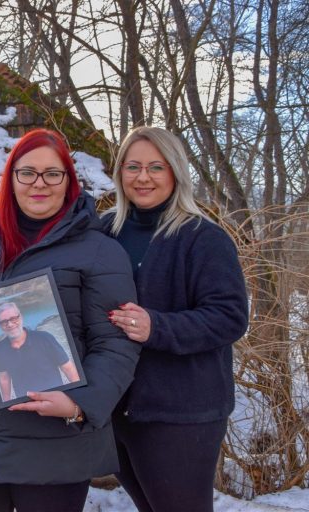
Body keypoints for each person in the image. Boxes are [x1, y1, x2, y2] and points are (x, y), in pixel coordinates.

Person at [0, 128, 141, 512]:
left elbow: (117, 343)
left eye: (52, 174)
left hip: (55, 450)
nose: (40, 184)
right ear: (11, 177)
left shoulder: (100, 252)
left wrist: (80, 405)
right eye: (27, 172)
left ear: (69, 181)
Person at [102, 126, 249, 512]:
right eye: (132, 166)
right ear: (119, 173)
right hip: (116, 407)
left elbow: (229, 317)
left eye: (156, 167)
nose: (143, 177)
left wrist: (157, 327)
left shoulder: (204, 238)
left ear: (176, 173)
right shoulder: (103, 232)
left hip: (181, 414)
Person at [0, 302, 80, 401]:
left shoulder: (44, 338)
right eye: (4, 321)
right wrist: (6, 403)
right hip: (26, 402)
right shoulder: (0, 349)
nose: (9, 324)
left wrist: (78, 394)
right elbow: (4, 378)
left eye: (13, 318)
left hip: (55, 398)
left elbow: (67, 367)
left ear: (20, 317)